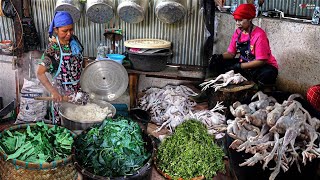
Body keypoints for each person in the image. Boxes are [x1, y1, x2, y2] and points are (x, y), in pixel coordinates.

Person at [37, 11, 88, 124]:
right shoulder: (53, 48)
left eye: (71, 29)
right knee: (64, 126)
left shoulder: (74, 41)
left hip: (77, 91)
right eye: (64, 31)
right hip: (61, 94)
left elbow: (80, 61)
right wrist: (53, 92)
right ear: (56, 29)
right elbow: (40, 73)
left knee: (81, 121)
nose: (69, 34)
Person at [210, 3, 278, 87]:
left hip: (262, 66)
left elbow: (261, 61)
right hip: (245, 63)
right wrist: (219, 57)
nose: (237, 23)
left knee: (268, 73)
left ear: (249, 19)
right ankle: (211, 88)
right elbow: (231, 54)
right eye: (236, 20)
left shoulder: (259, 35)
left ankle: (258, 91)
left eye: (240, 20)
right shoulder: (238, 32)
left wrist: (240, 66)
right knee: (220, 63)